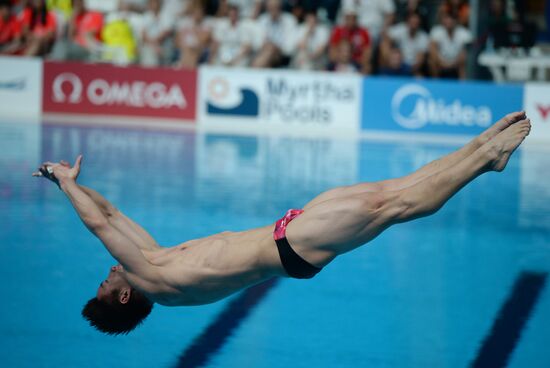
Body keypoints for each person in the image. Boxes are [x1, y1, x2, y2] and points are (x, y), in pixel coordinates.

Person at [33, 111, 531, 335]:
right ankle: (485, 160)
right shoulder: (154, 281)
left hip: (289, 232)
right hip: (294, 246)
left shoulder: (154, 260)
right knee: (395, 206)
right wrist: (69, 188)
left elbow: (112, 215)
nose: (107, 272)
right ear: (123, 296)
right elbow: (99, 227)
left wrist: (68, 182)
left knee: (390, 192)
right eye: (105, 283)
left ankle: (478, 147)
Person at [380, 12, 429, 77]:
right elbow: (386, 37)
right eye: (412, 21)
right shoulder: (400, 29)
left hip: (411, 67)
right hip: (398, 62)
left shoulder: (423, 37)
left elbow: (420, 60)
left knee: (420, 78)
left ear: (419, 23)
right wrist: (389, 58)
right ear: (407, 22)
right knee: (384, 45)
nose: (413, 24)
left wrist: (411, 69)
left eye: (416, 22)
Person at [428, 10, 472, 79]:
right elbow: (433, 51)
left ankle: (463, 87)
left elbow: (464, 54)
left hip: (457, 63)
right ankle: (436, 84)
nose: (449, 21)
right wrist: (442, 63)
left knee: (464, 63)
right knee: (431, 61)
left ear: (456, 21)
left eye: (452, 19)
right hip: (440, 63)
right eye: (446, 18)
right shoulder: (436, 31)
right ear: (442, 20)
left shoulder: (464, 33)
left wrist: (453, 64)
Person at [329, 6, 371, 74]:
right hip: (339, 62)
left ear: (356, 19)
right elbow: (332, 53)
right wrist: (343, 58)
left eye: (353, 18)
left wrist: (357, 62)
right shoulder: (338, 31)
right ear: (345, 18)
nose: (351, 20)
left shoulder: (363, 32)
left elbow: (367, 53)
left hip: (357, 63)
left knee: (367, 67)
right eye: (349, 18)